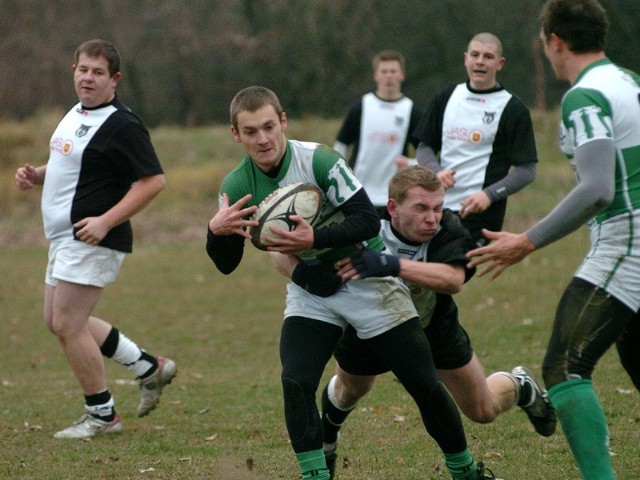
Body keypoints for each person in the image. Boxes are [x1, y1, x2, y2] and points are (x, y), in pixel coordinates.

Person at [206, 86, 498, 480]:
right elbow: (227, 264)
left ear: (283, 123)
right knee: (296, 379)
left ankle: (465, 472)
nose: (263, 139)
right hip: (312, 289)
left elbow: (364, 218)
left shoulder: (319, 160)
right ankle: (315, 476)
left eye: (269, 127)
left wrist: (315, 239)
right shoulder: (237, 185)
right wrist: (216, 231)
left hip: (364, 279)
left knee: (423, 382)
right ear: (236, 135)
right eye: (251, 131)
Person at [276, 166, 554, 479]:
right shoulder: (364, 222)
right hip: (365, 324)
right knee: (352, 389)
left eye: (437, 207)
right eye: (421, 208)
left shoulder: (449, 228)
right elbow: (284, 246)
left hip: (431, 325)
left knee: (482, 410)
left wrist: (389, 264)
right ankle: (328, 436)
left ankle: (519, 384)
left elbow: (453, 279)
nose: (432, 218)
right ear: (393, 208)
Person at [467, 1, 640, 478]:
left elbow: (598, 189)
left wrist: (526, 240)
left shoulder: (585, 97)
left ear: (554, 41)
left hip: (628, 242)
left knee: (564, 366)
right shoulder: (627, 80)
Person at [14, 39, 177, 439]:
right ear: (74, 71)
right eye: (83, 69)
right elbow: (73, 162)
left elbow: (153, 181)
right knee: (60, 321)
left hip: (92, 237)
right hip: (65, 237)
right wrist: (37, 174)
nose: (88, 77)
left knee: (68, 322)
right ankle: (146, 367)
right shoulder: (77, 112)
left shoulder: (123, 124)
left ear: (114, 79)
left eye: (98, 72)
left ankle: (102, 416)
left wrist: (105, 221)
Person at [414, 32, 537, 246]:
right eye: (475, 55)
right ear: (465, 59)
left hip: (478, 215)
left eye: (488, 57)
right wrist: (436, 173)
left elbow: (527, 170)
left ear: (500, 63)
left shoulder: (513, 109)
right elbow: (425, 147)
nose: (480, 61)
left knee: (449, 275)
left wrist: (489, 195)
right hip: (436, 207)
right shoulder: (447, 96)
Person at [333, 49, 423, 217]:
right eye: (384, 71)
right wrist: (337, 181)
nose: (388, 76)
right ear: (376, 75)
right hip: (357, 192)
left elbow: (427, 154)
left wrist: (410, 164)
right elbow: (341, 147)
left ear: (401, 75)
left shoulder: (411, 110)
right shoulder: (361, 106)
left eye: (393, 71)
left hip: (393, 197)